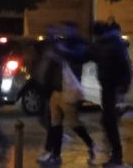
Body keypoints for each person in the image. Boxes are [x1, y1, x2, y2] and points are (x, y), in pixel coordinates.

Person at [36, 27, 96, 166]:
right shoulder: (59, 46)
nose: (64, 33)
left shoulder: (77, 46)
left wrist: (59, 52)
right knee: (55, 124)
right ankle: (55, 156)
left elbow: (75, 58)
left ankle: (91, 144)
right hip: (56, 91)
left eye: (67, 30)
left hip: (67, 91)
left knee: (73, 123)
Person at [90, 21, 132, 167]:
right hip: (109, 87)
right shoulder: (107, 44)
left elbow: (125, 66)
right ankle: (116, 154)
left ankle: (117, 155)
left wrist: (123, 85)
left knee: (109, 121)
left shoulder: (111, 44)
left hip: (112, 87)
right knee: (108, 121)